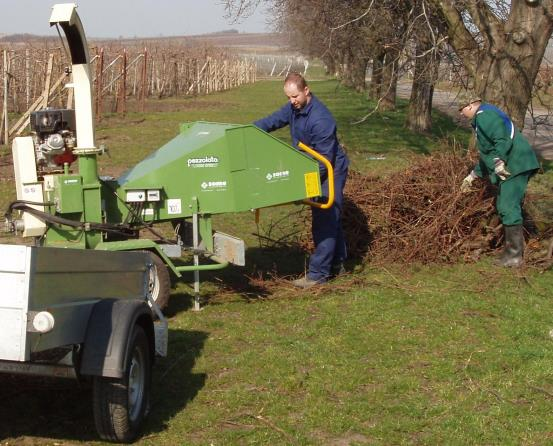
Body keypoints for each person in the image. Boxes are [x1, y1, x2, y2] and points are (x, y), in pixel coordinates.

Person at [254, 72, 350, 288]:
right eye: (288, 97)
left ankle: (317, 276)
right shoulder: (294, 108)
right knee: (330, 217)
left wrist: (297, 186)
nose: (292, 101)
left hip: (330, 168)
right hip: (312, 164)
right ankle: (338, 264)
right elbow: (272, 121)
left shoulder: (321, 119)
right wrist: (249, 130)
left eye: (295, 96)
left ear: (306, 90)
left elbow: (322, 163)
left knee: (325, 218)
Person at [458, 95, 540, 267]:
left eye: (462, 109)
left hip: (515, 164)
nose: (461, 114)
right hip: (514, 164)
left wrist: (499, 160)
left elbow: (501, 139)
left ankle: (514, 256)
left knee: (507, 205)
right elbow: (488, 153)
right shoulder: (484, 116)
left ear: (471, 105)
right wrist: (473, 175)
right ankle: (513, 252)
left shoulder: (484, 115)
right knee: (506, 204)